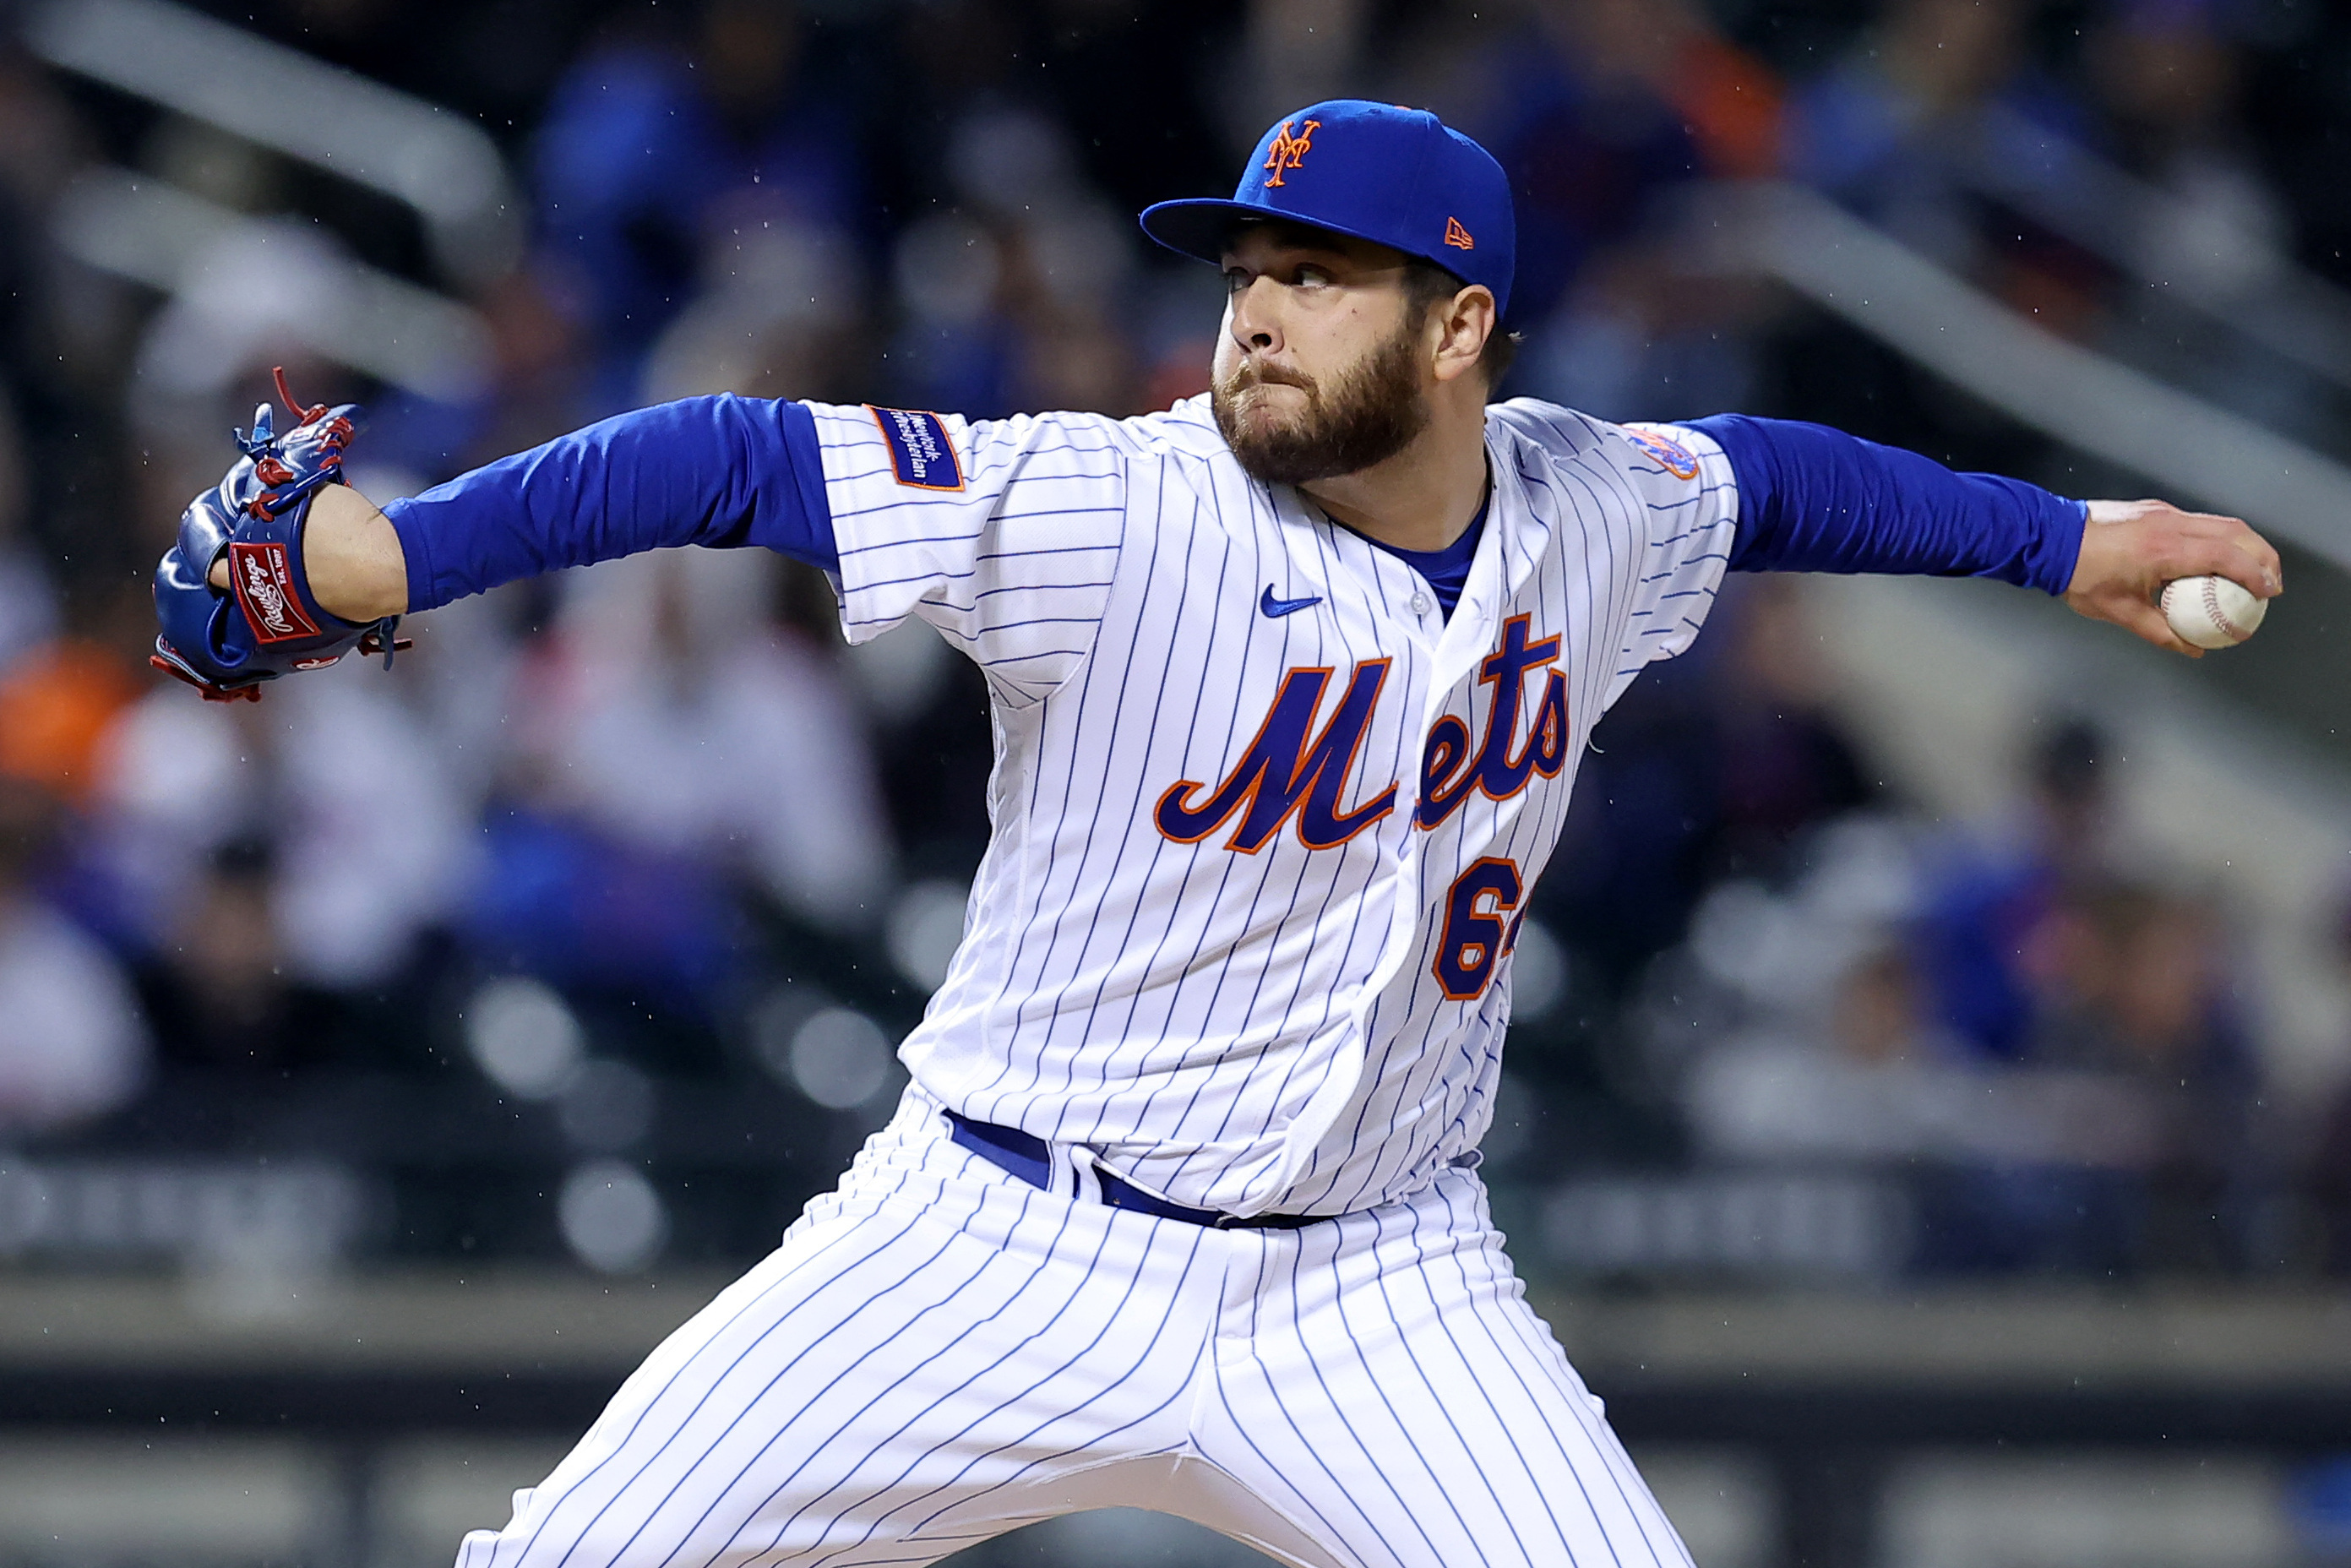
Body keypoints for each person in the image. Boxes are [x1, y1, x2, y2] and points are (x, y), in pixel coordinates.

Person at [152, 101, 2277, 1568]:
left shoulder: (1583, 510)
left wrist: (2068, 533)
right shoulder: (1117, 504)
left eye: (1323, 277)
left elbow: (1782, 475)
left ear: (1463, 333)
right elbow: (731, 451)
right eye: (1245, 267)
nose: (1253, 309)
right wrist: (389, 553)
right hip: (991, 1240)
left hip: (1378, 1284)